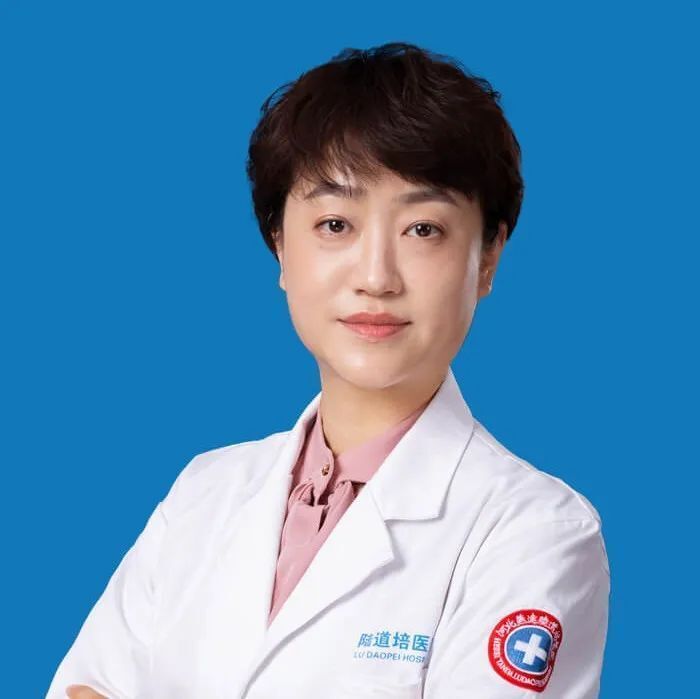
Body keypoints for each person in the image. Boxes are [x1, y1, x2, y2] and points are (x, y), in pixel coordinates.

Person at [47, 42, 610, 698]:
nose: (376, 277)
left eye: (423, 229)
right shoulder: (203, 493)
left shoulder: (534, 533)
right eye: (336, 223)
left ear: (487, 258)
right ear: (280, 247)